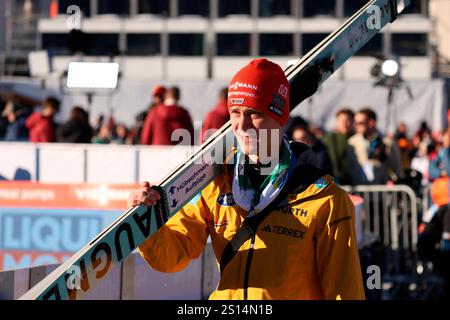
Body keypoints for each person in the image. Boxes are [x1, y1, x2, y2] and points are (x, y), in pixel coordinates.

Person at [128, 59, 365, 300]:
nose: (242, 125)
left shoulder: (326, 199)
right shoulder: (217, 181)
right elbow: (173, 257)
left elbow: (345, 292)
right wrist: (146, 223)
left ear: (279, 117)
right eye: (235, 113)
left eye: (255, 113)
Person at [348, 108, 404, 184]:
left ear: (371, 123)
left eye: (360, 123)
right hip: (359, 189)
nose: (356, 126)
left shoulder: (387, 142)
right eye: (355, 123)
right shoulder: (352, 142)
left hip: (380, 190)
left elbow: (397, 168)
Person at [322, 108, 361, 185]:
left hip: (357, 182)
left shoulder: (358, 138)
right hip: (336, 181)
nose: (345, 123)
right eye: (342, 121)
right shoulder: (330, 139)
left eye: (348, 120)